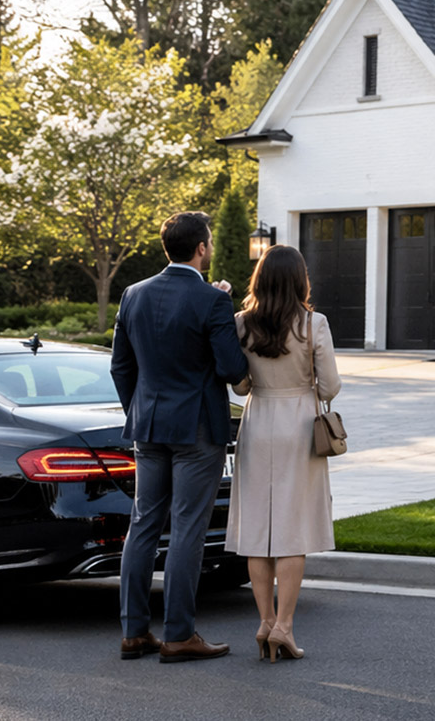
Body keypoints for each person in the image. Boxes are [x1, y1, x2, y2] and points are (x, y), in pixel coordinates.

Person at [110, 211, 248, 663]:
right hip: (197, 430)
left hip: (148, 427)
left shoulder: (133, 294)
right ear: (202, 248)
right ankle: (178, 634)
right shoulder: (212, 301)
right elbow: (231, 369)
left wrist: (140, 409)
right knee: (188, 527)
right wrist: (221, 307)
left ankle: (133, 633)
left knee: (143, 525)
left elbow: (121, 367)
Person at [225, 244, 341, 662]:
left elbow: (239, 387)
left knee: (259, 530)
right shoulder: (314, 324)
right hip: (298, 427)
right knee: (293, 530)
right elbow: (328, 387)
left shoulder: (241, 323)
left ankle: (263, 621)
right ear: (300, 280)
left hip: (258, 424)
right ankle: (284, 627)